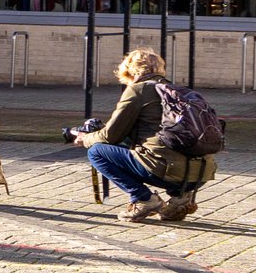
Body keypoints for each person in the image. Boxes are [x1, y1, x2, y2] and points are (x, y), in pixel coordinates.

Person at [69, 48, 215, 222]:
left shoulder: (138, 90)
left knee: (97, 151)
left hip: (166, 172)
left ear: (129, 70)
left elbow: (110, 136)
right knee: (158, 148)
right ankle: (180, 199)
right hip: (201, 173)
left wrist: (86, 138)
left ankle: (144, 199)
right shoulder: (177, 91)